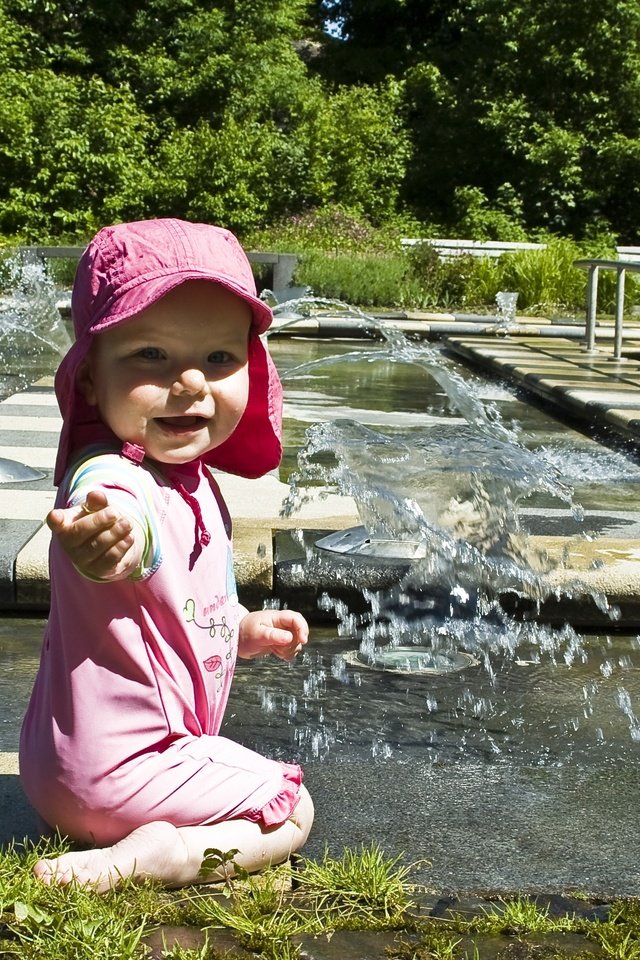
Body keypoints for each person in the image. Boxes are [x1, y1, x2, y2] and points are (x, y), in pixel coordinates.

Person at [19, 218, 314, 892]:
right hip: (127, 775)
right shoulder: (115, 482)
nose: (189, 382)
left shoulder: (193, 480)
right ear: (91, 379)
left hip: (58, 770)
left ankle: (133, 831)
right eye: (151, 355)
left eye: (218, 359)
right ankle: (164, 856)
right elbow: (121, 536)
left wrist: (240, 630)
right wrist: (103, 541)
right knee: (293, 808)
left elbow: (170, 604)